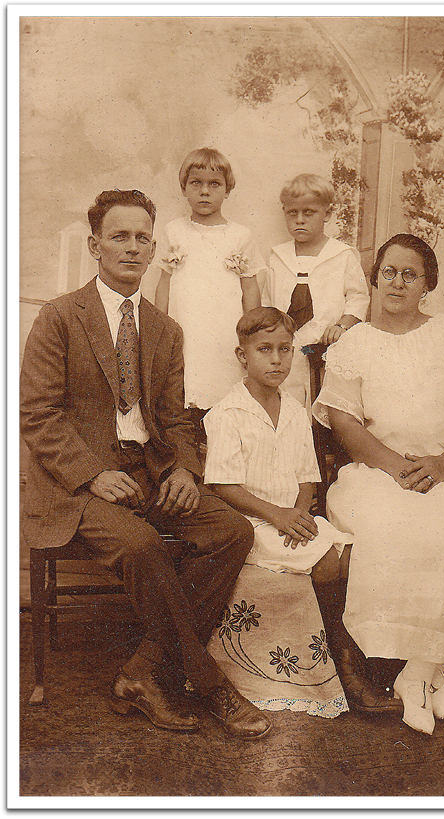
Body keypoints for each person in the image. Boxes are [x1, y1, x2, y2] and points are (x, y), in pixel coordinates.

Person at [20, 189, 272, 740]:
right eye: (119, 236)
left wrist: (183, 469)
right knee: (141, 546)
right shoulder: (60, 318)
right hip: (79, 484)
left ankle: (143, 671)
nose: (132, 248)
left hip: (149, 470)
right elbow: (37, 413)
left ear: (153, 247)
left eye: (142, 238)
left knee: (231, 530)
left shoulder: (165, 329)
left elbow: (176, 417)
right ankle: (210, 685)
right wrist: (91, 473)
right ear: (95, 245)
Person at [313, 233, 444, 735]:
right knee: (390, 528)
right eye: (389, 271)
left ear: (427, 284)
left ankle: (418, 673)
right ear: (374, 279)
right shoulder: (354, 343)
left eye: (410, 274)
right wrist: (393, 465)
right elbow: (344, 422)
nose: (398, 282)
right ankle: (430, 671)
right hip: (378, 470)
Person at [203, 307, 401, 716]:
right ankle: (349, 675)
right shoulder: (227, 413)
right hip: (253, 521)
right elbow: (223, 484)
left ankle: (365, 660)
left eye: (285, 350)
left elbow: (307, 476)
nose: (277, 360)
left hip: (290, 518)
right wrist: (277, 515)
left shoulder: (294, 409)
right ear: (243, 356)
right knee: (329, 564)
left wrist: (299, 511)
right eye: (265, 350)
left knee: (357, 556)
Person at [154, 147, 265, 416]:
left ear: (227, 190)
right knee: (184, 385)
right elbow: (164, 283)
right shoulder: (174, 231)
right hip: (187, 327)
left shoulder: (240, 236)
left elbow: (250, 288)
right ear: (184, 188)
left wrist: (252, 337)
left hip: (224, 330)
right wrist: (159, 327)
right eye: (196, 183)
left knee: (225, 395)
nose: (205, 191)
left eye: (214, 184)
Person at [262, 174, 369, 409]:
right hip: (287, 346)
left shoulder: (342, 255)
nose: (300, 220)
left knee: (323, 407)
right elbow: (268, 301)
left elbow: (358, 296)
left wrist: (341, 326)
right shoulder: (278, 256)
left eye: (309, 213)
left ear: (327, 214)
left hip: (327, 345)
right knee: (287, 402)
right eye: (292, 213)